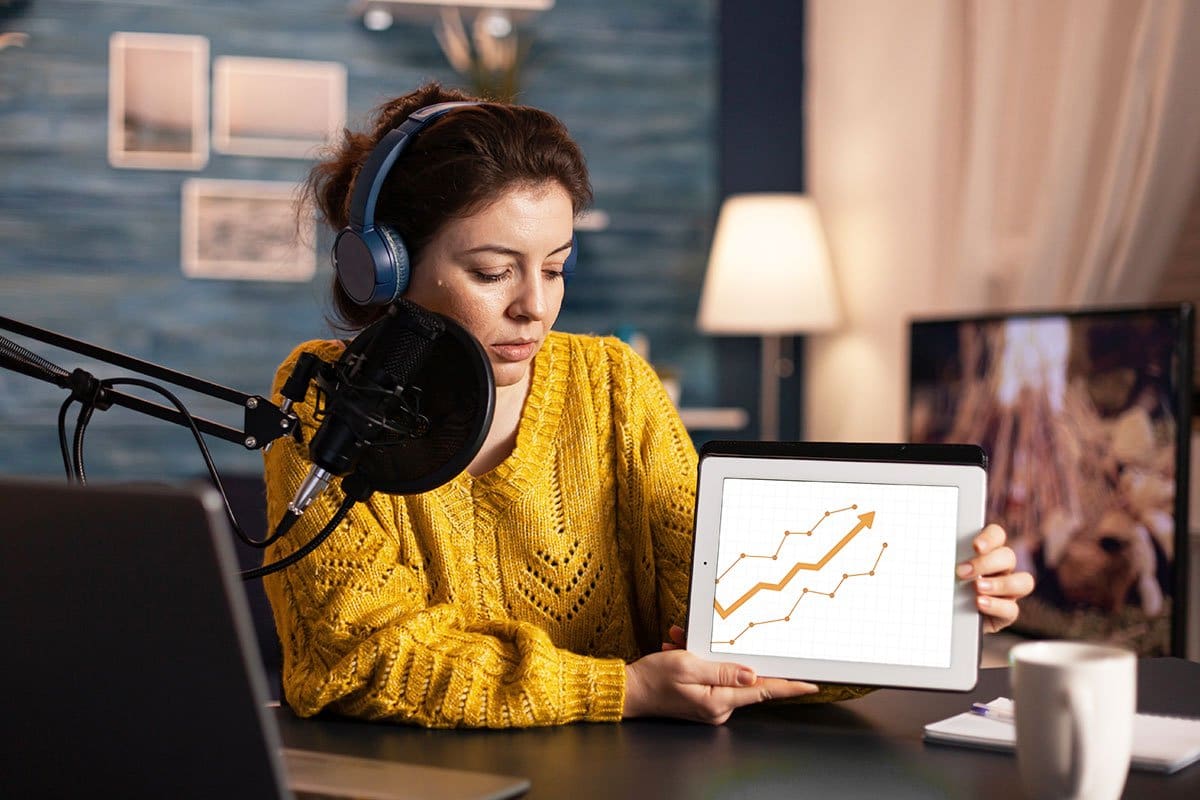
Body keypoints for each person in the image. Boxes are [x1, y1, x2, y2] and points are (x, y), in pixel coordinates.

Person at [262, 82, 1035, 729]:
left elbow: (727, 619)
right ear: (389, 267)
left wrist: (925, 606)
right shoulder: (328, 405)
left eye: (556, 268)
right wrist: (621, 689)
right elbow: (356, 658)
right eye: (494, 271)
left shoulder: (613, 384)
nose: (535, 307)